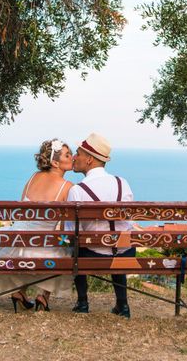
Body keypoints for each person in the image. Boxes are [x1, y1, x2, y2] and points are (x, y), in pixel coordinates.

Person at [0, 139, 74, 312]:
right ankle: (42, 297)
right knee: (65, 250)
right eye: (68, 155)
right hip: (41, 246)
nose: (72, 157)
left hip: (16, 242)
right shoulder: (67, 187)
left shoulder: (33, 178)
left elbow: (22, 210)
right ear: (55, 162)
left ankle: (19, 293)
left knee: (36, 244)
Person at [67, 132, 135, 318]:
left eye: (78, 153)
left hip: (93, 254)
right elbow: (127, 222)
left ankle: (82, 303)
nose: (74, 157)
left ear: (89, 159)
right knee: (118, 242)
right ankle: (123, 305)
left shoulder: (77, 191)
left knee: (77, 243)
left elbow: (71, 231)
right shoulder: (123, 183)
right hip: (126, 252)